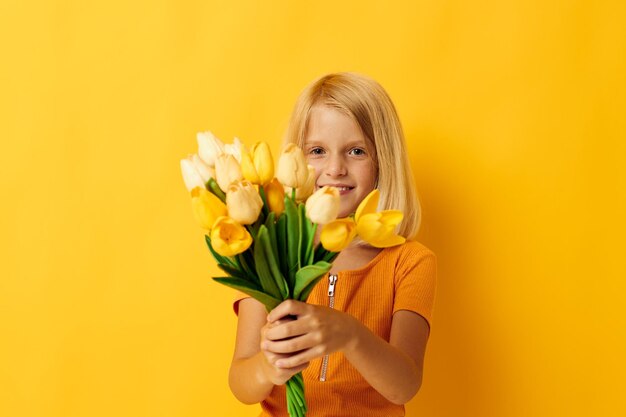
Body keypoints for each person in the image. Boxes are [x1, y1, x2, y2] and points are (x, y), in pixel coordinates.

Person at [228, 72, 437, 417]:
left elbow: (406, 383)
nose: (335, 169)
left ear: (383, 161)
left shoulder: (410, 262)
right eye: (318, 151)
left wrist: (350, 335)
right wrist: (268, 367)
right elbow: (240, 382)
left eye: (356, 151)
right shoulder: (269, 253)